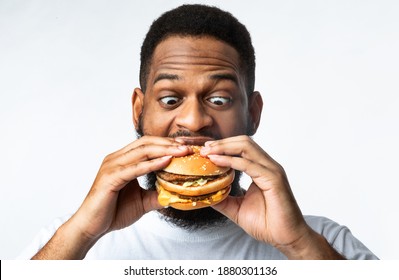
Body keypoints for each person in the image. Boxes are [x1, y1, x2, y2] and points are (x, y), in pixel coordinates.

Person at [19, 4, 377, 260]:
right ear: (139, 110)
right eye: (171, 99)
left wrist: (298, 243)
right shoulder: (68, 242)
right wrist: (82, 234)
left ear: (252, 114)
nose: (192, 121)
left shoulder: (325, 242)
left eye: (219, 99)